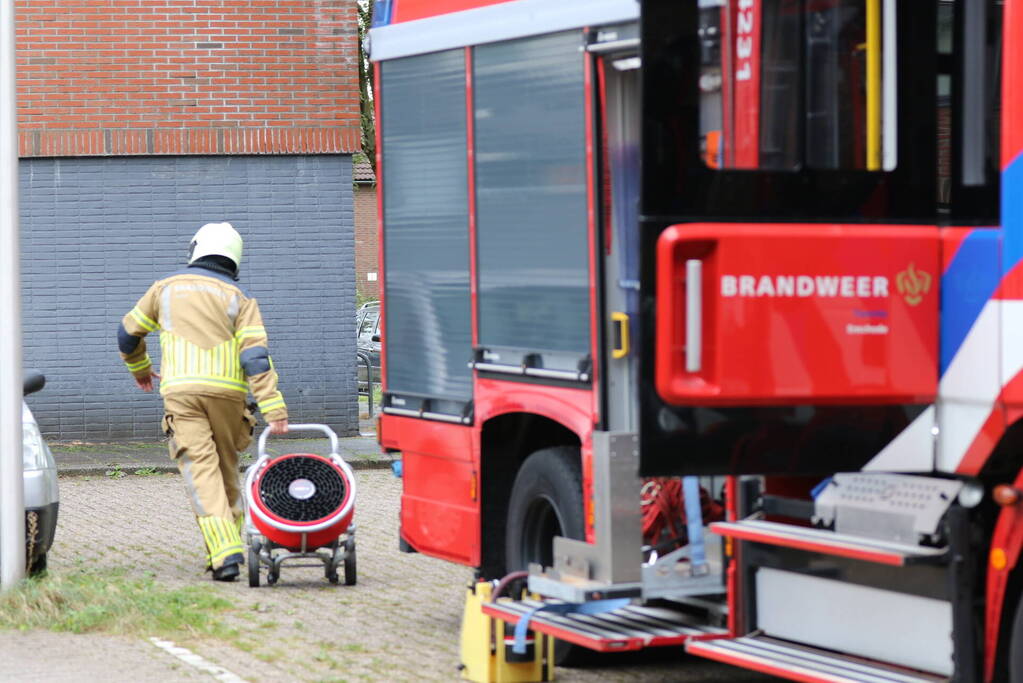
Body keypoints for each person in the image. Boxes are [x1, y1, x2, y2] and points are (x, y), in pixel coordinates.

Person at [117, 222, 289, 581]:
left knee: (200, 469)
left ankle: (225, 552)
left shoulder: (165, 289)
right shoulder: (240, 298)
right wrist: (273, 407)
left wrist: (141, 369)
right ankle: (225, 552)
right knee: (226, 471)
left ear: (195, 250)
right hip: (228, 398)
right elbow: (256, 358)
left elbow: (128, 334)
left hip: (182, 395)